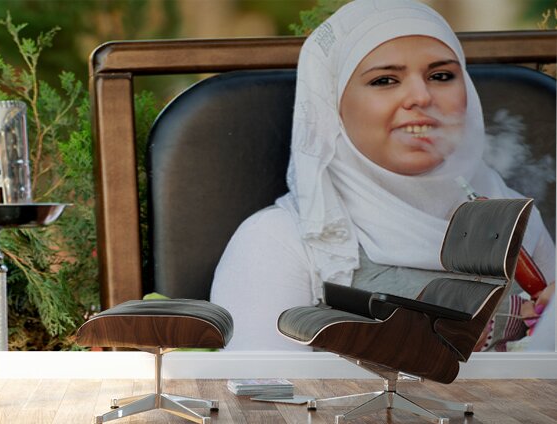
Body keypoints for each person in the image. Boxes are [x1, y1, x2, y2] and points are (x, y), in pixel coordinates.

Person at [209, 0, 556, 351]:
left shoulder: (516, 219)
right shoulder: (277, 242)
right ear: (334, 106)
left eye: (441, 76)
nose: (421, 96)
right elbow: (263, 383)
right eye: (385, 80)